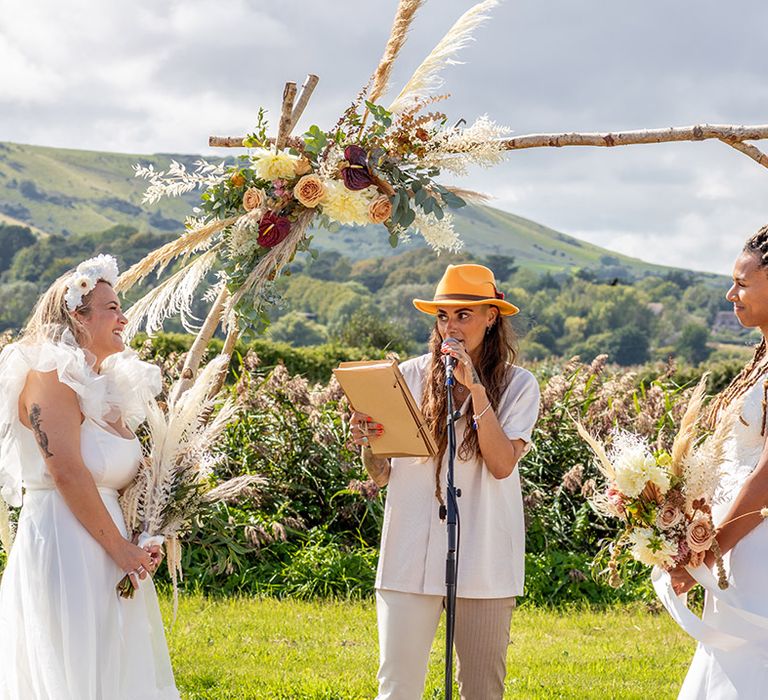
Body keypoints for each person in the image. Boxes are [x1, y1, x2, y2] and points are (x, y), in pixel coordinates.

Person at [350, 263, 540, 700]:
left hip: (483, 556)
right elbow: (381, 476)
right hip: (408, 551)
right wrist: (367, 442)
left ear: (492, 317)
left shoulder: (518, 385)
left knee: (481, 691)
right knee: (397, 689)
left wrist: (475, 390)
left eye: (463, 315)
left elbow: (501, 464)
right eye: (442, 316)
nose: (449, 326)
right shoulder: (409, 377)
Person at [0, 254, 179, 699]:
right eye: (112, 308)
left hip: (109, 544)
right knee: (73, 669)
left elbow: (122, 477)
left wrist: (143, 537)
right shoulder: (49, 377)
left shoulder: (108, 383)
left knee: (116, 668)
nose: (123, 317)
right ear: (79, 317)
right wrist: (118, 547)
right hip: (66, 545)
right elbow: (67, 471)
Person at [669, 226, 768, 698]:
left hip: (758, 542)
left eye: (743, 283)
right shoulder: (761, 357)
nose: (731, 293)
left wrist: (709, 547)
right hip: (739, 539)